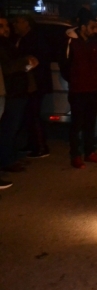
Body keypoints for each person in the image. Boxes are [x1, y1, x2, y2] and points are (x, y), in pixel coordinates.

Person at [58, 9, 97, 169]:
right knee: (76, 124)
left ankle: (89, 152)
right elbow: (64, 65)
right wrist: (75, 79)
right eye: (92, 27)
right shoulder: (71, 42)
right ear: (83, 26)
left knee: (90, 123)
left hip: (93, 88)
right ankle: (75, 155)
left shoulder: (96, 41)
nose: (95, 30)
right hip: (78, 90)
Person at [0, 16, 39, 182]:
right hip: (11, 92)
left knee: (12, 128)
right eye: (1, 26)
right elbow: (7, 67)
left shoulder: (9, 42)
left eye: (6, 25)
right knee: (8, 129)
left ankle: (10, 157)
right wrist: (25, 61)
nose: (6, 29)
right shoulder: (2, 44)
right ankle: (6, 160)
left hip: (18, 91)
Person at [14, 15, 52, 158]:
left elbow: (37, 61)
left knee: (33, 114)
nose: (15, 25)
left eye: (18, 22)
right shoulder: (23, 39)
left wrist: (25, 67)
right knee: (29, 114)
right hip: (30, 83)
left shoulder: (34, 39)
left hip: (35, 83)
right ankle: (33, 144)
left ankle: (40, 146)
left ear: (27, 24)